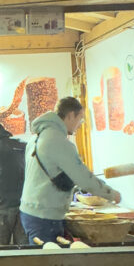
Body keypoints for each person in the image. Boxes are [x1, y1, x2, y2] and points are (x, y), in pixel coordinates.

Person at [19, 96, 121, 245]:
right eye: (80, 118)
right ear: (70, 115)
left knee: (41, 261)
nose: (80, 124)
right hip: (44, 216)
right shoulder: (57, 141)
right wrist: (112, 194)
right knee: (50, 265)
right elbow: (84, 178)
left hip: (31, 212)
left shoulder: (37, 137)